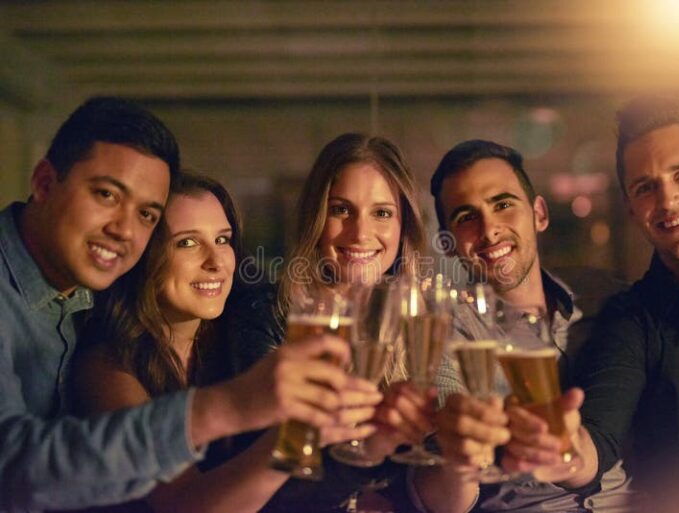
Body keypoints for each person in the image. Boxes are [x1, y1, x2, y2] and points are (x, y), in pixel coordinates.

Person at [0, 97, 369, 512]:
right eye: (106, 194)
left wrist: (369, 447)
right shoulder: (105, 358)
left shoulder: (237, 331)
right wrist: (234, 408)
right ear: (44, 183)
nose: (123, 230)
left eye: (146, 214)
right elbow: (13, 470)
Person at [498, 95, 679, 504]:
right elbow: (595, 440)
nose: (668, 199)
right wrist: (562, 451)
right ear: (630, 208)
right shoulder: (632, 320)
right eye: (646, 187)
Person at [68, 171, 380, 513]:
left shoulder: (238, 338)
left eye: (223, 240)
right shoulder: (105, 368)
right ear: (142, 256)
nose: (216, 263)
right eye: (187, 242)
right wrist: (295, 435)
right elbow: (183, 505)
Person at [410, 140, 631, 513]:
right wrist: (462, 455)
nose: (489, 229)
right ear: (448, 244)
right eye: (466, 217)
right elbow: (444, 498)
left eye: (503, 204)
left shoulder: (607, 299)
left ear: (539, 214)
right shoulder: (447, 334)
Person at [225, 132, 434, 512]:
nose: (360, 233)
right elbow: (268, 484)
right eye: (342, 210)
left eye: (382, 213)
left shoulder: (418, 323)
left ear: (404, 226)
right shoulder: (270, 316)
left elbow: (437, 455)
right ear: (316, 218)